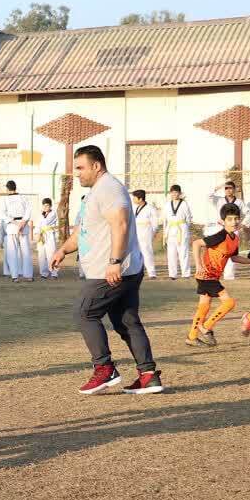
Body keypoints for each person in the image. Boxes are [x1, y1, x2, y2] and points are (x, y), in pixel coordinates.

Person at [50, 145, 162, 395]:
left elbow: (120, 224)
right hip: (122, 269)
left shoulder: (109, 188)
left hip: (110, 270)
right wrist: (62, 250)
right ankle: (148, 375)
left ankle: (104, 369)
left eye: (80, 168)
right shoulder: (95, 193)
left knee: (84, 313)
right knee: (127, 322)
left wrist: (114, 261)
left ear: (96, 166)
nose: (76, 174)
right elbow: (82, 232)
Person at [188, 203, 250, 346]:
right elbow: (196, 244)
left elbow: (234, 257)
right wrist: (199, 265)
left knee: (204, 305)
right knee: (229, 302)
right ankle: (206, 327)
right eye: (230, 219)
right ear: (222, 221)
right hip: (207, 275)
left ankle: (192, 336)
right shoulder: (220, 236)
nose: (234, 222)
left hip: (213, 276)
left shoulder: (235, 239)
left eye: (236, 218)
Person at [208, 181, 249, 280]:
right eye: (226, 188)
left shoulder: (239, 202)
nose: (228, 190)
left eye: (230, 188)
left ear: (234, 189)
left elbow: (247, 213)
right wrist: (219, 186)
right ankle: (214, 273)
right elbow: (208, 196)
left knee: (231, 252)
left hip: (233, 229)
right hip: (220, 228)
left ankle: (229, 276)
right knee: (218, 251)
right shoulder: (219, 200)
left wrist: (242, 224)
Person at [1, 180, 33, 282]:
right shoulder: (23, 198)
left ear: (7, 189)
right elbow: (28, 211)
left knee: (12, 252)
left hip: (13, 226)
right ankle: (28, 275)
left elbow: (2, 214)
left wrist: (16, 223)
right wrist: (22, 223)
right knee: (26, 252)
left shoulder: (5, 199)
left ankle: (14, 276)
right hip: (20, 226)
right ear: (15, 187)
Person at [164, 185, 193, 279]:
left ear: (180, 193)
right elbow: (165, 219)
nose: (174, 194)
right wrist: (165, 232)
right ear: (170, 193)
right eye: (172, 192)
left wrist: (185, 228)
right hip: (171, 228)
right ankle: (172, 274)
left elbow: (188, 218)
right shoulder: (167, 204)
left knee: (183, 252)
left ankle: (186, 274)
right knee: (171, 253)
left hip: (181, 228)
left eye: (176, 192)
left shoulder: (184, 204)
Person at [131, 189, 160, 280]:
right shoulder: (134, 207)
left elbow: (155, 222)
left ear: (140, 199)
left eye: (134, 198)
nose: (133, 200)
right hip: (136, 231)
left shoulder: (150, 208)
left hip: (146, 231)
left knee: (147, 251)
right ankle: (138, 270)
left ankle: (151, 272)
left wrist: (153, 232)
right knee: (136, 252)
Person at [34, 197, 60, 279]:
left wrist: (42, 217)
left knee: (51, 254)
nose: (45, 207)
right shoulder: (41, 214)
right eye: (44, 206)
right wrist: (36, 233)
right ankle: (43, 273)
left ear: (50, 206)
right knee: (41, 255)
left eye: (47, 206)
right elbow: (38, 225)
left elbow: (46, 222)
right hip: (41, 235)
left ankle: (54, 273)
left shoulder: (53, 214)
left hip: (49, 235)